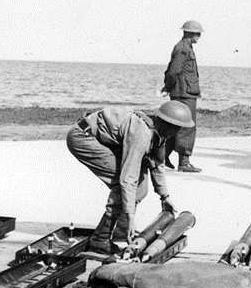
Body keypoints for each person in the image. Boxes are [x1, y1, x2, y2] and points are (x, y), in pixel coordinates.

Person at [66, 100, 193, 258]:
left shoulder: (159, 132)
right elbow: (128, 178)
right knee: (123, 185)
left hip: (101, 139)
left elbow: (158, 165)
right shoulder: (142, 134)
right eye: (175, 127)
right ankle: (100, 240)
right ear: (165, 123)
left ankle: (121, 231)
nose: (177, 132)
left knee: (140, 188)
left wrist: (165, 196)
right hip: (83, 137)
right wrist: (130, 215)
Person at [162, 20, 203, 173]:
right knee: (187, 126)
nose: (199, 36)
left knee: (176, 126)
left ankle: (163, 155)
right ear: (189, 33)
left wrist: (168, 86)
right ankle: (184, 162)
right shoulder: (184, 49)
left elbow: (172, 70)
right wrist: (167, 86)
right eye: (197, 33)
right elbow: (173, 71)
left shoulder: (183, 47)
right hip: (184, 93)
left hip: (182, 91)